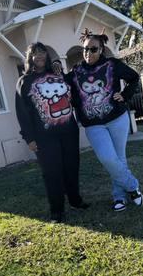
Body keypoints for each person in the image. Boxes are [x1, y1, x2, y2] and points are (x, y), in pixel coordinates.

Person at [53, 28, 143, 212]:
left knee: (119, 159)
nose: (88, 53)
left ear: (101, 49)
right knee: (107, 158)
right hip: (93, 125)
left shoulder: (112, 65)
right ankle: (133, 186)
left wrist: (125, 95)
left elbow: (134, 78)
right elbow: (63, 83)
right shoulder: (77, 71)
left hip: (117, 118)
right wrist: (56, 69)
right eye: (85, 49)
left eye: (93, 49)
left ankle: (119, 197)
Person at [15, 42, 89, 223]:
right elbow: (22, 112)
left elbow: (73, 89)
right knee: (52, 172)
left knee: (71, 167)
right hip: (44, 137)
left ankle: (75, 201)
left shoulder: (56, 74)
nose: (39, 56)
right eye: (35, 53)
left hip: (69, 131)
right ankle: (57, 210)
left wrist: (58, 65)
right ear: (29, 58)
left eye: (42, 53)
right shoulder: (24, 81)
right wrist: (29, 138)